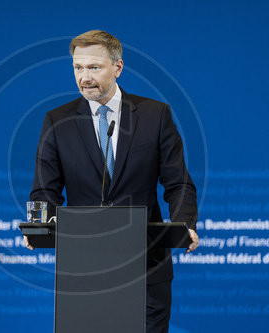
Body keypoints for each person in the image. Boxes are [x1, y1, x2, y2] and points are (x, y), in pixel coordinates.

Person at [25, 30, 199, 333]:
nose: (84, 77)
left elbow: (178, 182)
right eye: (78, 68)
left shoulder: (155, 115)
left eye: (94, 67)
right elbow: (45, 188)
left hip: (146, 265)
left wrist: (185, 224)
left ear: (117, 67)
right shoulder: (57, 120)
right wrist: (41, 226)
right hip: (84, 265)